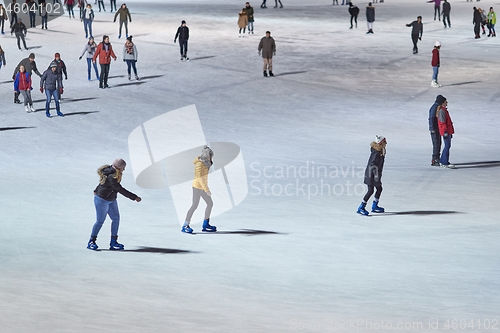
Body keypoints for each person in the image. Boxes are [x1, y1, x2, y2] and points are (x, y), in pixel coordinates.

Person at [87, 159, 142, 250]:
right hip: (102, 200)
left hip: (111, 199)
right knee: (100, 221)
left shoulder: (113, 172)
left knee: (116, 219)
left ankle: (113, 242)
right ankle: (91, 241)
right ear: (119, 167)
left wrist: (96, 190)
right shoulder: (112, 176)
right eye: (123, 168)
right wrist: (134, 197)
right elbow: (119, 189)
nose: (124, 170)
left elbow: (103, 184)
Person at [181, 146, 216, 234]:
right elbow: (200, 178)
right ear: (207, 155)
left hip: (203, 187)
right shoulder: (200, 164)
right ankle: (185, 225)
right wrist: (207, 189)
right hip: (197, 187)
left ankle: (205, 224)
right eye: (211, 156)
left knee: (210, 203)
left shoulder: (206, 163)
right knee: (195, 205)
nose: (211, 158)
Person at [357, 135, 387, 216]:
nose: (386, 143)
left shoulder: (381, 150)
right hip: (371, 174)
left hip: (376, 174)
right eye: (384, 142)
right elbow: (372, 164)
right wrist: (376, 174)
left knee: (379, 189)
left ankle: (374, 206)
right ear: (381, 143)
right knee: (370, 191)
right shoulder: (376, 152)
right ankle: (361, 207)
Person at [436, 99, 455, 168]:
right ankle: (444, 162)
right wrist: (445, 131)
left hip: (447, 131)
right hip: (446, 132)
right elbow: (442, 122)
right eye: (445, 101)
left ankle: (443, 161)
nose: (447, 102)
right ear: (442, 103)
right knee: (447, 146)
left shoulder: (444, 110)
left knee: (447, 146)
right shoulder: (442, 111)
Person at [428, 95, 445, 166]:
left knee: (438, 143)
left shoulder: (436, 106)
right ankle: (435, 159)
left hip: (436, 129)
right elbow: (431, 118)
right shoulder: (435, 107)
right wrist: (432, 129)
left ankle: (437, 158)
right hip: (434, 129)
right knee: (436, 144)